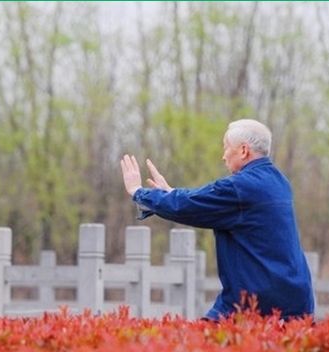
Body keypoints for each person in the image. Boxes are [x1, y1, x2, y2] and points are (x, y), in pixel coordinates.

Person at [120, 119, 314, 320]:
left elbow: (188, 206)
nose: (223, 156)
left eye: (226, 148)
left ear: (243, 151)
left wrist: (138, 192)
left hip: (257, 304)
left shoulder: (242, 187)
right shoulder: (279, 181)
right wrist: (171, 194)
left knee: (195, 348)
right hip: (295, 299)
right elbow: (201, 200)